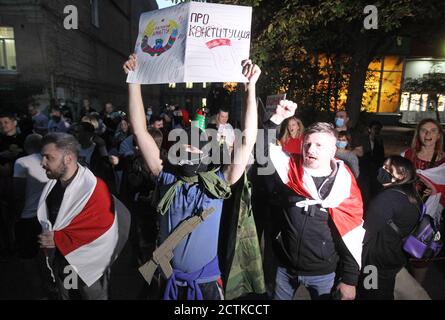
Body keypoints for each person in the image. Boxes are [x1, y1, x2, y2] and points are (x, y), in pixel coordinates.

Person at [123, 54, 260, 300]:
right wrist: (134, 81)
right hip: (167, 279)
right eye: (183, 145)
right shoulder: (166, 178)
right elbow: (140, 131)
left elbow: (248, 139)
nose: (189, 148)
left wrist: (251, 89)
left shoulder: (219, 183)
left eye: (197, 146)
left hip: (205, 285)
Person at [265, 117, 364, 300]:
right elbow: (264, 149)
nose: (310, 150)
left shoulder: (344, 187)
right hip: (284, 267)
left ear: (333, 150)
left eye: (319, 145)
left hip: (323, 273)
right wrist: (274, 120)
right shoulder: (290, 170)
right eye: (308, 144)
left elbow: (352, 236)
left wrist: (350, 280)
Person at [37, 132, 130, 300]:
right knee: (70, 294)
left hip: (90, 266)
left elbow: (103, 229)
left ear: (68, 158)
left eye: (48, 158)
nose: (42, 163)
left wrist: (57, 239)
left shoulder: (94, 189)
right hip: (64, 262)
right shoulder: (52, 186)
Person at [358, 156, 422, 300]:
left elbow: (366, 232)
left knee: (372, 293)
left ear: (401, 175)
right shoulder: (411, 195)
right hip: (394, 256)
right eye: (383, 166)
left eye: (388, 168)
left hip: (375, 263)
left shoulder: (388, 198)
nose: (382, 170)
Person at [401, 118, 445, 283]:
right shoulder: (406, 156)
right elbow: (394, 181)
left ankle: (417, 289)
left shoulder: (444, 162)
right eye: (424, 130)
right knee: (398, 256)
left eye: (433, 130)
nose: (428, 134)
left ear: (439, 135)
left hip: (430, 219)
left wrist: (436, 190)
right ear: (418, 134)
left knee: (420, 257)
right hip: (406, 213)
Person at [13, 134, 49, 259]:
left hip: (27, 215)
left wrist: (15, 213)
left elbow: (18, 192)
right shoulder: (50, 160)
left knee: (28, 255)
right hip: (48, 215)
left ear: (25, 146)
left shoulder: (21, 162)